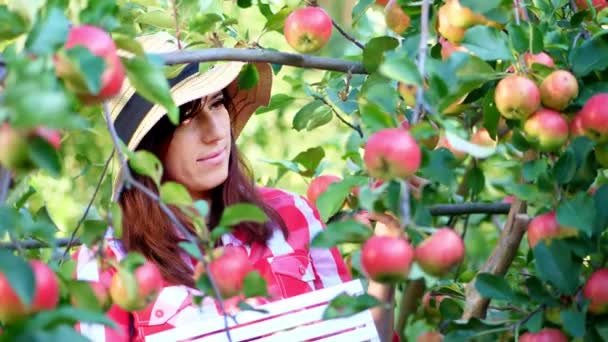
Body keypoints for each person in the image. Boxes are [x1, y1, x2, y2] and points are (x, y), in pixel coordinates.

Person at [72, 32, 398, 341]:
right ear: (148, 146)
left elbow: (358, 334)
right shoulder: (111, 260)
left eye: (216, 104)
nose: (214, 131)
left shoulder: (291, 215)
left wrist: (385, 264)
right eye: (186, 117)